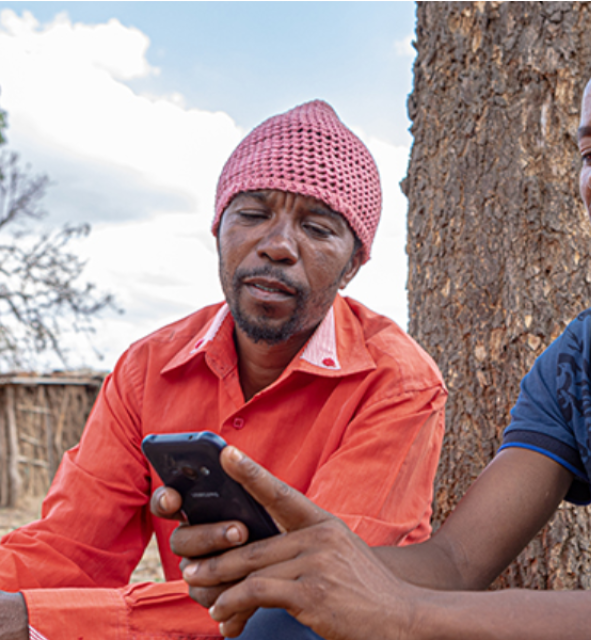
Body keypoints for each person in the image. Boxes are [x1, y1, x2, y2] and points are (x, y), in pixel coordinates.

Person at [171, 4, 591, 639]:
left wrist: (407, 615)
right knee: (289, 619)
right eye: (590, 153)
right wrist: (299, 560)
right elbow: (455, 561)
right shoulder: (585, 357)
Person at [0, 100, 447, 639]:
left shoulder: (396, 383)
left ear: (353, 265)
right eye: (253, 215)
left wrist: (32, 620)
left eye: (318, 227)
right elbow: (70, 549)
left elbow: (313, 595)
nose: (278, 245)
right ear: (218, 230)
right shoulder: (149, 368)